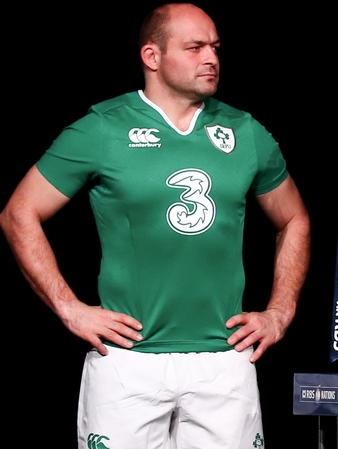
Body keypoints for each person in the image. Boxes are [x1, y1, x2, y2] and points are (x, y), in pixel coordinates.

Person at [0, 3, 310, 449]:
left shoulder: (245, 131)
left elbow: (294, 217)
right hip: (128, 362)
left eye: (215, 47)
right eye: (195, 47)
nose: (211, 58)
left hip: (223, 361)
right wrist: (69, 307)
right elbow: (19, 212)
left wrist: (280, 311)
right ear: (152, 56)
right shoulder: (102, 129)